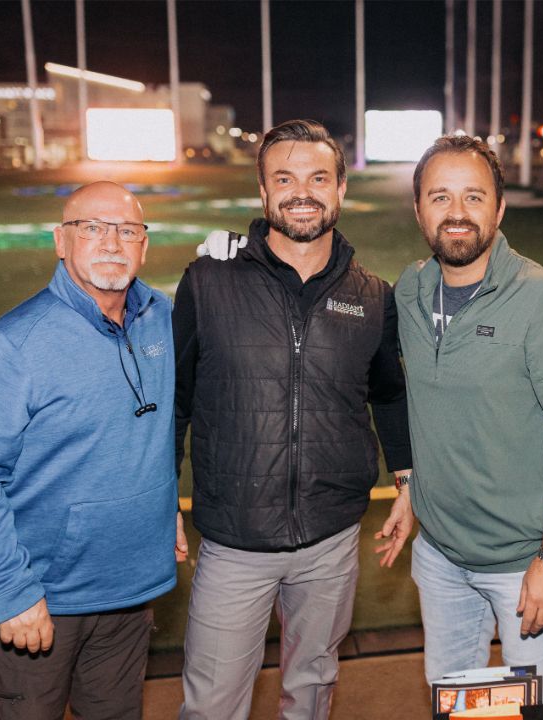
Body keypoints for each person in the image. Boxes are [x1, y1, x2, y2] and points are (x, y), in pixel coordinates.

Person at [174, 119, 413, 720]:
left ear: (340, 189)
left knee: (311, 693)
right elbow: (175, 399)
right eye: (284, 178)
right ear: (263, 191)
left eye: (317, 178)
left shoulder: (373, 296)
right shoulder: (208, 279)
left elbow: (389, 395)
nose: (301, 192)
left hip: (331, 539)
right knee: (211, 706)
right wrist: (159, 498)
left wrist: (407, 479)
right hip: (235, 540)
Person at [0, 181, 185, 720]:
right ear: (60, 241)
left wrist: (165, 508)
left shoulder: (163, 319)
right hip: (40, 596)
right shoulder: (12, 345)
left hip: (128, 591)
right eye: (92, 228)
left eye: (127, 230)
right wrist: (11, 590)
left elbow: (158, 427)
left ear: (144, 245)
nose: (112, 243)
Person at [394, 135, 543, 702]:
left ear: (499, 208)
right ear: (418, 209)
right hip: (441, 556)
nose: (457, 212)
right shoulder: (411, 290)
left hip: (526, 560)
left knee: (541, 706)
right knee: (457, 707)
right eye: (440, 197)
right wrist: (409, 484)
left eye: (474, 196)